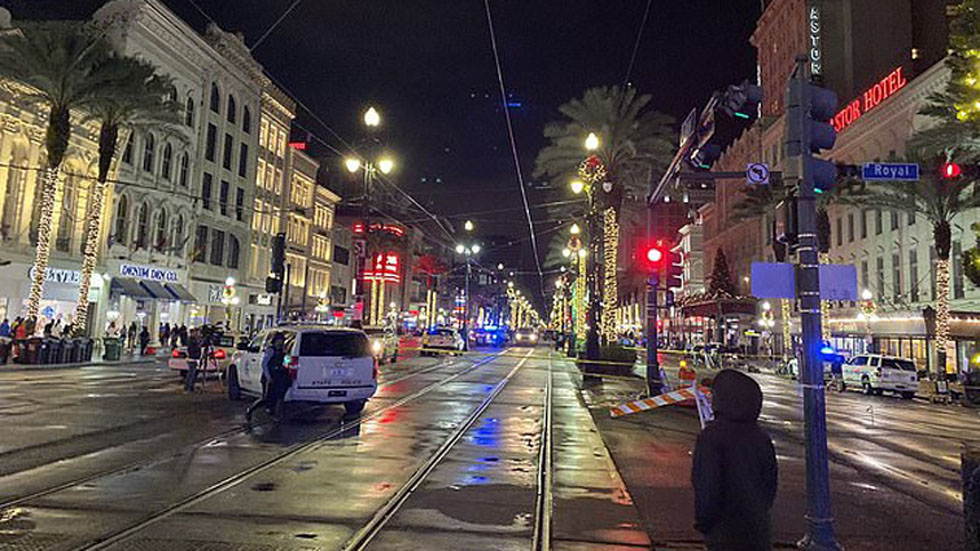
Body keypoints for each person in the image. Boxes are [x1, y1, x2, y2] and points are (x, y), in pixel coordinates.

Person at [692, 369, 777, 551]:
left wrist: (704, 522)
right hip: (757, 529)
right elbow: (770, 485)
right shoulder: (761, 437)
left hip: (723, 531)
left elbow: (708, 485)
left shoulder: (712, 437)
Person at [245, 333, 288, 426]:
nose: (281, 342)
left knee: (278, 397)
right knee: (265, 398)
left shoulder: (281, 351)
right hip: (269, 378)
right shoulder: (271, 350)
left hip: (278, 377)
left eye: (282, 340)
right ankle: (250, 410)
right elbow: (264, 364)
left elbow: (285, 361)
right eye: (279, 340)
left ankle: (276, 415)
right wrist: (268, 377)